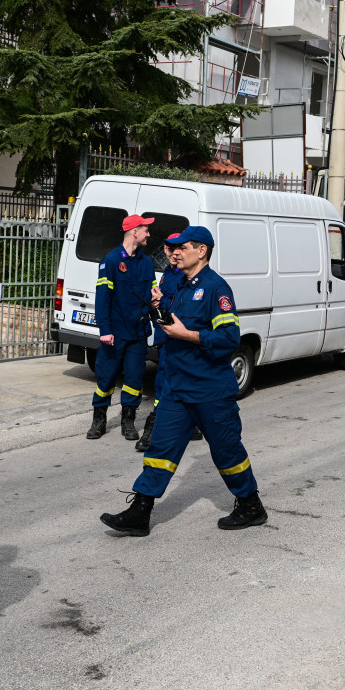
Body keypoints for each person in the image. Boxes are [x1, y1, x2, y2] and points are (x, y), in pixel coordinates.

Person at [100, 226, 267, 536]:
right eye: (174, 248)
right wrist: (158, 308)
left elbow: (229, 337)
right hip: (176, 387)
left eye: (183, 248)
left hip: (209, 390)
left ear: (201, 251)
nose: (174, 252)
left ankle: (251, 505)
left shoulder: (216, 288)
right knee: (160, 450)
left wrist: (188, 335)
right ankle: (141, 511)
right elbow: (171, 325)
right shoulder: (182, 286)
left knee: (227, 451)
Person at [89, 213, 157, 441]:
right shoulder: (110, 261)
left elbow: (153, 297)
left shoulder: (147, 264)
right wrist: (105, 330)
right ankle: (99, 420)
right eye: (145, 229)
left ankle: (128, 420)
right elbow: (103, 299)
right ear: (134, 232)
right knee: (106, 379)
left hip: (137, 334)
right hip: (115, 334)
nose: (149, 233)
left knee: (135, 380)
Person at [137, 242, 203, 452]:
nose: (174, 254)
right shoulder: (167, 273)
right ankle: (191, 426)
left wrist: (162, 301)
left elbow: (179, 309)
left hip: (179, 337)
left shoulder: (188, 277)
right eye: (169, 249)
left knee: (168, 382)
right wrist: (155, 304)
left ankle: (153, 431)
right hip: (165, 337)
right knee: (168, 382)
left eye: (179, 249)